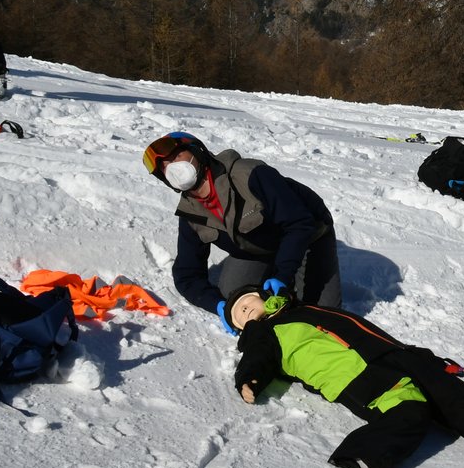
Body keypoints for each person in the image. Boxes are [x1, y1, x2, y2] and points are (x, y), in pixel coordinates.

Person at [227, 287, 464, 468]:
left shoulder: (299, 308)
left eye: (247, 301)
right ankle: (364, 454)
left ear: (263, 295)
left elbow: (365, 330)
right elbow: (256, 359)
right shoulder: (263, 333)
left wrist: (423, 357)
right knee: (409, 411)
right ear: (240, 328)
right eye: (238, 314)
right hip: (361, 376)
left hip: (400, 357)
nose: (245, 310)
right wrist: (250, 380)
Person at [143, 131, 342, 327]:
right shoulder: (190, 213)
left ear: (198, 151)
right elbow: (187, 275)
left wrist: (282, 274)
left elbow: (299, 224)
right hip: (257, 249)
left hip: (309, 236)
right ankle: (274, 270)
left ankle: (288, 275)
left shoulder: (250, 174)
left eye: (177, 156)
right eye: (165, 165)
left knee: (323, 315)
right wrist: (219, 305)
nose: (172, 167)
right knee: (234, 296)